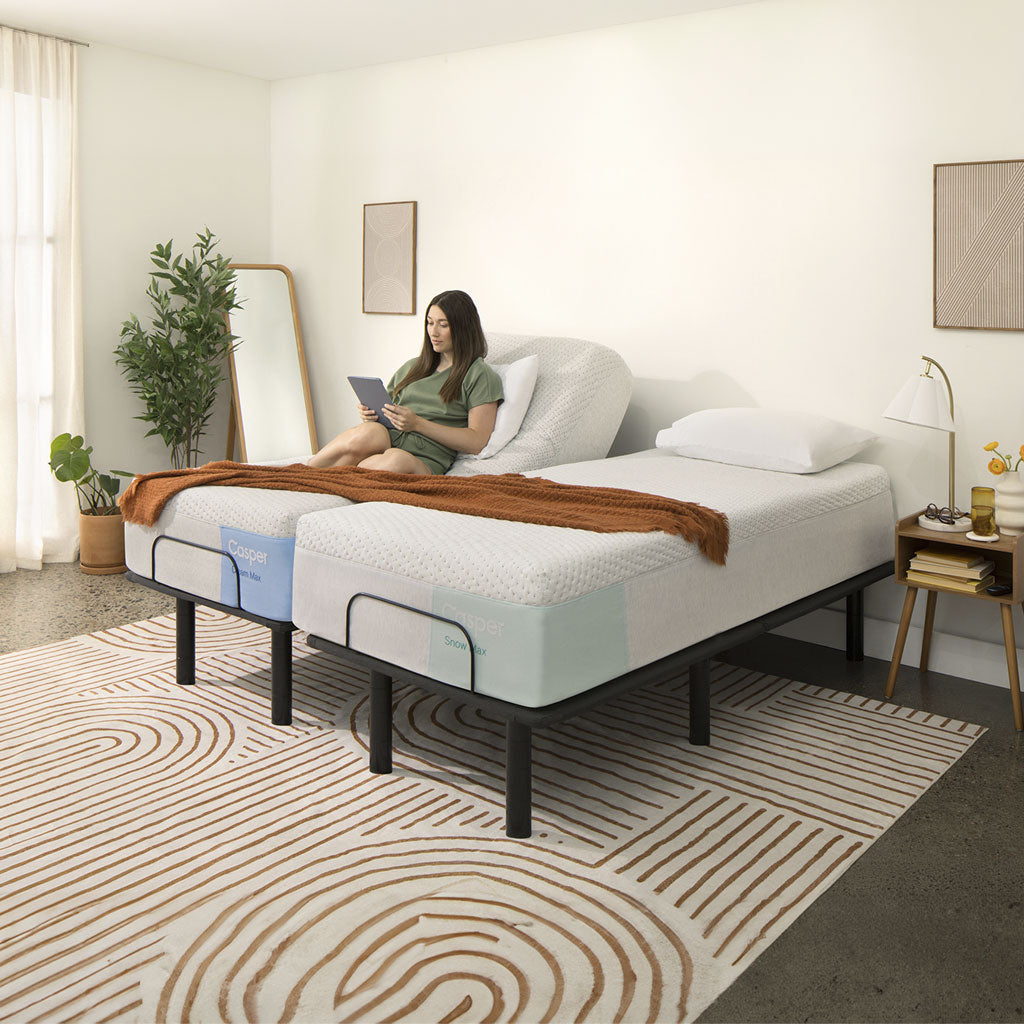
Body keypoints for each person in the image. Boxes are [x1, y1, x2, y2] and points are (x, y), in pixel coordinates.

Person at [308, 290, 503, 475]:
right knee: (370, 432)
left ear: (463, 328)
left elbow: (477, 441)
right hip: (386, 442)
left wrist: (417, 424)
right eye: (429, 323)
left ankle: (342, 476)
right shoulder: (413, 367)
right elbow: (388, 409)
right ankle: (306, 470)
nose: (433, 332)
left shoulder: (479, 375)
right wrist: (371, 415)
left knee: (397, 460)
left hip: (422, 458)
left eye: (443, 325)